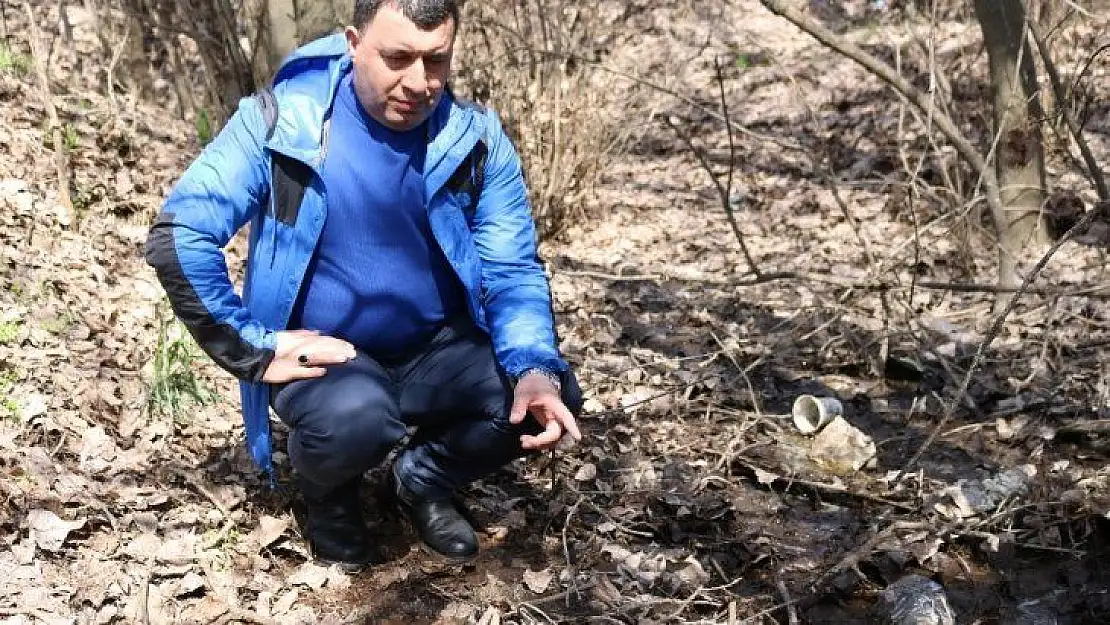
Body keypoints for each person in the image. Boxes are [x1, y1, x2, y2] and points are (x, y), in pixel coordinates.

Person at [145, 0, 583, 571]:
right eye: (396, 57)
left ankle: (421, 478)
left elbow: (512, 270)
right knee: (354, 419)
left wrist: (532, 368)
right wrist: (254, 345)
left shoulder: (474, 140)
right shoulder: (280, 123)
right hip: (327, 357)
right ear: (353, 43)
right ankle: (329, 493)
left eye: (435, 61)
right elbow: (181, 235)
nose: (417, 82)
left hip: (436, 347)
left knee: (546, 394)